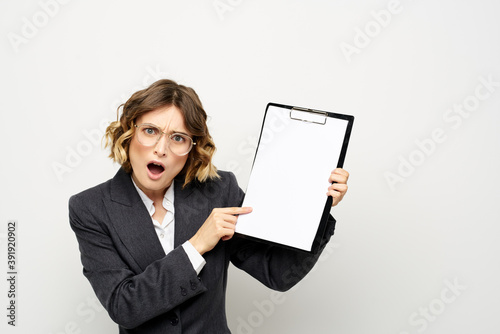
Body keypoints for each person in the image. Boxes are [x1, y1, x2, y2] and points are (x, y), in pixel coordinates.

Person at [69, 79, 349, 334]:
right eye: (150, 131)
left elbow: (277, 274)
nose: (161, 149)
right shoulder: (91, 208)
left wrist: (317, 206)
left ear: (192, 148)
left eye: (178, 138)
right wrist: (196, 246)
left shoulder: (219, 191)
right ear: (128, 134)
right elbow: (124, 307)